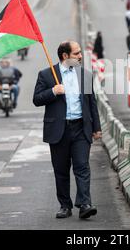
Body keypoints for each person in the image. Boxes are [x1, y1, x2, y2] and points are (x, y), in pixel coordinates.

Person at [33, 41, 102, 219]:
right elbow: (36, 99)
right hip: (59, 130)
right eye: (76, 53)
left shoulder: (85, 75)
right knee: (61, 170)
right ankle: (65, 205)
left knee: (82, 167)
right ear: (65, 56)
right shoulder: (47, 75)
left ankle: (85, 204)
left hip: (80, 128)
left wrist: (96, 128)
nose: (80, 56)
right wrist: (53, 91)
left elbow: (91, 102)